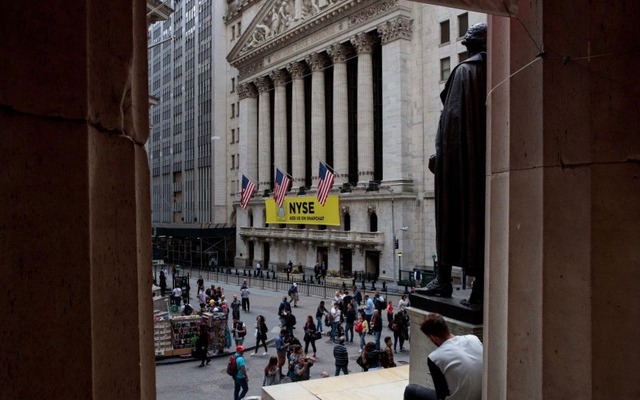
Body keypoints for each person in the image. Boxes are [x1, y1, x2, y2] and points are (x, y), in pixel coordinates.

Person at [419, 23, 488, 308]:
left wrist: (441, 157)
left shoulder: (464, 71)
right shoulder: (492, 70)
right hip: (481, 164)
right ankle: (480, 289)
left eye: (468, 38)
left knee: (448, 221)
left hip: (457, 165)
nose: (465, 40)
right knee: (479, 225)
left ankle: (443, 280)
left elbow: (451, 120)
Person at [403, 313, 483, 400]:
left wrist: (438, 375)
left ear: (433, 337)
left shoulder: (435, 358)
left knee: (410, 390)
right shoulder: (473, 338)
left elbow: (441, 396)